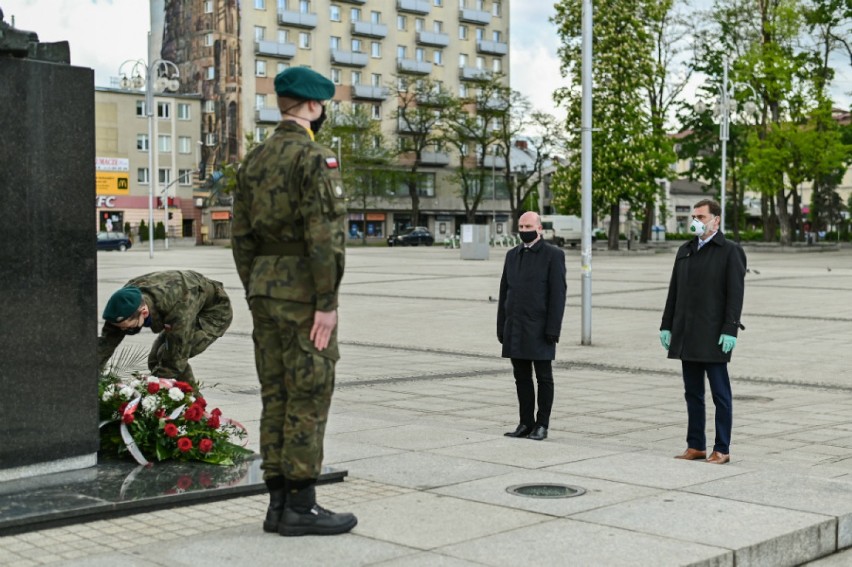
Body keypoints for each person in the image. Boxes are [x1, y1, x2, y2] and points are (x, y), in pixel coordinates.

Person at [231, 66, 356, 537]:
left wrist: (256, 286)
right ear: (309, 106)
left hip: (264, 290)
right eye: (321, 105)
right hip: (304, 293)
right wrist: (327, 300)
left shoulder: (255, 161)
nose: (322, 113)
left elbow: (241, 239)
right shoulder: (314, 158)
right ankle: (301, 506)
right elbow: (325, 237)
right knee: (308, 392)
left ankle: (277, 502)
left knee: (275, 394)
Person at [660, 198, 746, 465]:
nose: (695, 221)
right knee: (692, 393)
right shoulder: (685, 250)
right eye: (693, 217)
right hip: (687, 333)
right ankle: (695, 444)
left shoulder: (730, 251)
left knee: (721, 394)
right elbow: (674, 291)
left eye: (701, 216)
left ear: (716, 220)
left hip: (713, 335)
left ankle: (722, 448)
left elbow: (735, 294)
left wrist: (730, 328)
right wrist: (666, 325)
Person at [497, 211, 567, 441]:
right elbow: (504, 292)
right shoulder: (512, 255)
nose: (524, 230)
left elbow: (558, 295)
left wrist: (553, 329)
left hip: (540, 328)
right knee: (521, 377)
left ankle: (542, 424)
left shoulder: (553, 255)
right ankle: (525, 422)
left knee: (543, 377)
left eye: (529, 226)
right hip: (515, 327)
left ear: (539, 228)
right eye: (521, 226)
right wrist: (501, 326)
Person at [98, 270, 232, 387]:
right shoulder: (126, 300)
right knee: (154, 360)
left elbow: (177, 356)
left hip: (213, 312)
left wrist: (153, 390)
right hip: (190, 303)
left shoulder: (177, 307)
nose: (123, 331)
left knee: (168, 357)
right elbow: (107, 342)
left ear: (144, 312)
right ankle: (177, 403)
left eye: (127, 327)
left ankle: (194, 408)